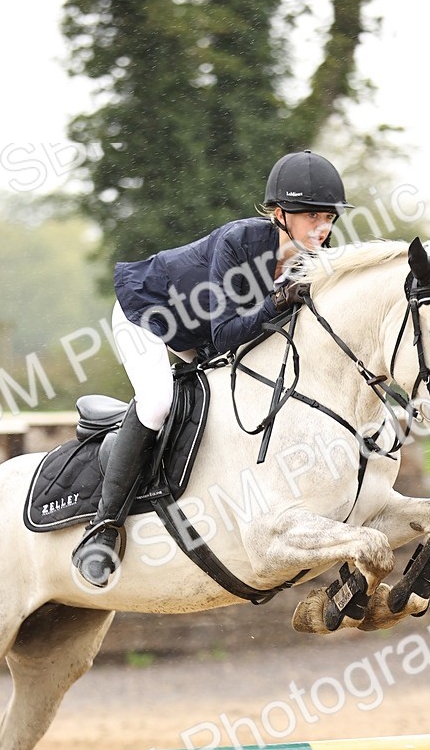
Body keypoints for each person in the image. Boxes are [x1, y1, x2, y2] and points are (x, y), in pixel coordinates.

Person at [72, 149, 351, 587]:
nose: (323, 227)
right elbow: (224, 335)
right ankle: (104, 528)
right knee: (159, 401)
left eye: (329, 217)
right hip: (146, 313)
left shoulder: (311, 257)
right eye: (311, 216)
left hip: (197, 334)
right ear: (280, 214)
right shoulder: (237, 244)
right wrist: (276, 301)